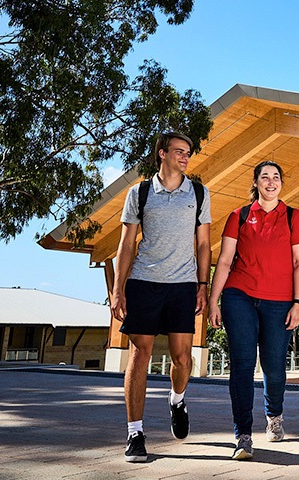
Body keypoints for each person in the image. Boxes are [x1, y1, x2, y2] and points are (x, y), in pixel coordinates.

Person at [110, 131, 211, 463]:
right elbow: (126, 244)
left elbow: (204, 245)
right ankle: (135, 433)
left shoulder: (198, 192)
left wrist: (202, 285)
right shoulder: (138, 192)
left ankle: (177, 399)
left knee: (182, 358)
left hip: (182, 284)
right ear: (162, 154)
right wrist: (118, 288)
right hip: (144, 282)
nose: (185, 157)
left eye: (188, 153)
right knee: (140, 354)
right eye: (180, 152)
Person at [207, 160, 299, 460]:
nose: (270, 181)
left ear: (281, 183)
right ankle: (243, 435)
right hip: (239, 295)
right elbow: (225, 262)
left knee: (274, 368)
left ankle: (274, 414)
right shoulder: (238, 216)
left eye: (276, 177)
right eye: (264, 177)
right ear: (255, 183)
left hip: (279, 301)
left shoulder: (294, 217)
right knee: (242, 363)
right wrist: (214, 300)